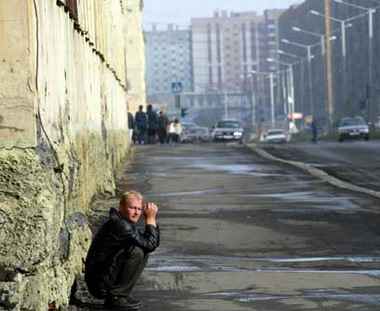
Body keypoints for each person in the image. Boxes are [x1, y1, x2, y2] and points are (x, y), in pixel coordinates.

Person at [85, 191, 160, 310]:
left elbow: (149, 244)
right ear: (121, 207)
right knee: (136, 251)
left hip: (102, 278)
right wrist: (150, 219)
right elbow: (150, 244)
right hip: (99, 284)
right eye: (132, 208)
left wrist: (151, 220)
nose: (136, 212)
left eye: (139, 209)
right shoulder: (121, 225)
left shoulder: (122, 221)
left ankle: (121, 294)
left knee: (142, 250)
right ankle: (116, 297)